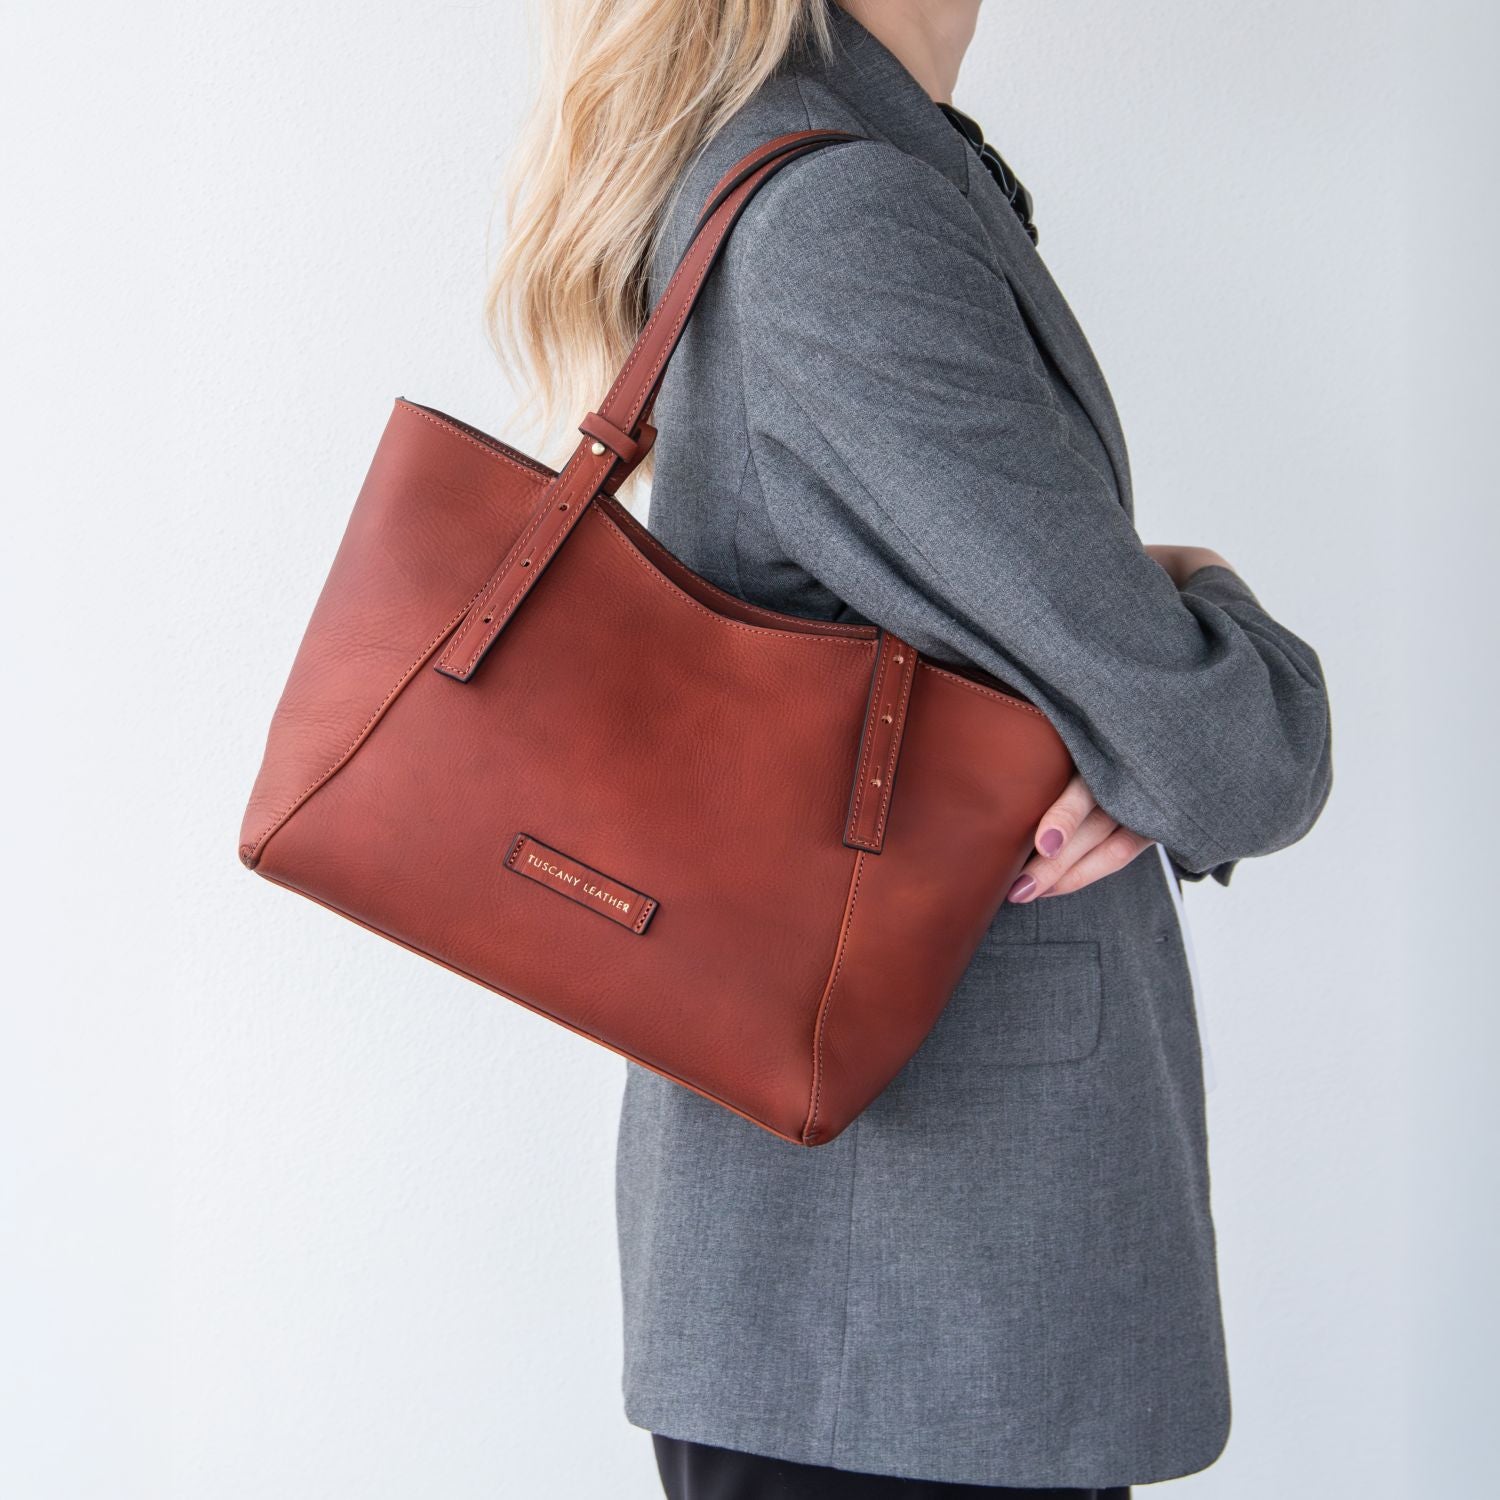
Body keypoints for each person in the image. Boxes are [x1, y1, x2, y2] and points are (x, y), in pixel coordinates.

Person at [489, 2, 1334, 1495]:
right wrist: (1198, 596)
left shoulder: (872, 159)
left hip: (896, 1298)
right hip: (900, 1319)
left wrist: (1108, 680)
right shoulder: (841, 212)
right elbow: (1228, 756)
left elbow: (1089, 672)